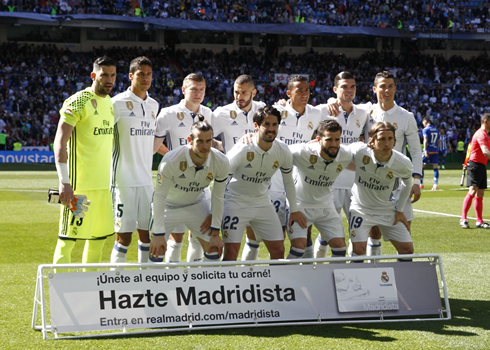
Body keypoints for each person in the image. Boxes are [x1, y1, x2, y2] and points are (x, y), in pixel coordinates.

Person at [240, 75, 325, 261]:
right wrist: (247, 137)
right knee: (263, 235)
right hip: (275, 180)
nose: (304, 94)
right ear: (288, 93)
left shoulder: (317, 113)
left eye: (307, 90)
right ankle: (252, 275)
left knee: (304, 230)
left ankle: (307, 271)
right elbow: (258, 124)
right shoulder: (277, 110)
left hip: (300, 180)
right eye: (299, 90)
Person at [52, 56, 116, 265]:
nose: (109, 79)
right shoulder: (78, 101)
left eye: (113, 75)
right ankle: (59, 294)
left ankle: (91, 294)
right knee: (68, 240)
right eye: (104, 75)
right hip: (79, 188)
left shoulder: (109, 103)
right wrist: (64, 182)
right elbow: (60, 142)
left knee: (98, 241)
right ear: (93, 75)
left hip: (103, 187)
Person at [222, 106, 306, 261]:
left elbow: (288, 181)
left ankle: (275, 285)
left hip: (262, 203)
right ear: (256, 126)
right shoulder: (242, 148)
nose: (271, 129)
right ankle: (228, 285)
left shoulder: (282, 150)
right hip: (235, 203)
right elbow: (221, 178)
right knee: (231, 253)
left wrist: (294, 210)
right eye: (266, 124)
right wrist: (217, 209)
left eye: (274, 125)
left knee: (278, 249)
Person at [153, 73, 214, 263]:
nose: (198, 93)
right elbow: (154, 146)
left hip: (201, 183)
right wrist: (174, 157)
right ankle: (173, 277)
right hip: (176, 184)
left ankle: (193, 280)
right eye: (194, 89)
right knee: (176, 237)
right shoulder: (168, 114)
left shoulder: (208, 113)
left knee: (198, 235)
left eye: (202, 89)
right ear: (183, 90)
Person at [149, 120, 230, 261]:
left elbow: (218, 196)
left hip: (196, 205)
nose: (205, 146)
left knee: (214, 251)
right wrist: (157, 234)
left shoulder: (221, 161)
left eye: (208, 141)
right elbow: (159, 196)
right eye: (200, 141)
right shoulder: (171, 159)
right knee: (156, 251)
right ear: (189, 140)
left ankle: (200, 283)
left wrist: (216, 233)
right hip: (168, 207)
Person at [365, 71, 422, 257]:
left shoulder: (406, 116)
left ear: (395, 89)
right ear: (374, 89)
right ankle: (374, 271)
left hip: (399, 183)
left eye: (390, 86)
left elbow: (415, 150)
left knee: (405, 231)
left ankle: (405, 278)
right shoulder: (365, 113)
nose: (386, 90)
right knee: (374, 232)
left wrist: (417, 180)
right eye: (382, 86)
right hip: (372, 181)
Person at [109, 56, 159, 265]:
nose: (146, 78)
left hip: (146, 181)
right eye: (141, 74)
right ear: (131, 76)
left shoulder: (154, 105)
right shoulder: (116, 103)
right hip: (123, 181)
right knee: (124, 237)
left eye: (149, 74)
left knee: (148, 235)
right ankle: (114, 282)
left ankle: (145, 283)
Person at [315, 71, 370, 256]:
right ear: (335, 89)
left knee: (358, 233)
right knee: (326, 233)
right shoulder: (323, 111)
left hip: (354, 183)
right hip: (329, 181)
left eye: (352, 86)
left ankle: (356, 276)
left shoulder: (363, 113)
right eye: (344, 86)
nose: (349, 90)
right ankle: (318, 269)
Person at [349, 121, 414, 259]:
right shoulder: (359, 151)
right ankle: (356, 279)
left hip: (387, 210)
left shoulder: (403, 163)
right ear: (371, 141)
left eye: (390, 139)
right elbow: (337, 150)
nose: (387, 143)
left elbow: (407, 184)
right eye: (382, 139)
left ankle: (403, 280)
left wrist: (400, 210)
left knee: (407, 250)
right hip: (361, 209)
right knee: (359, 251)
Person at [289, 119, 350, 259]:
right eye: (329, 140)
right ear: (318, 139)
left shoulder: (345, 154)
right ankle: (284, 280)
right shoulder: (302, 152)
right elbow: (276, 150)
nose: (334, 144)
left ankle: (327, 280)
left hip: (326, 207)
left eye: (337, 139)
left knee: (340, 249)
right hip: (301, 207)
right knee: (298, 248)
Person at [212, 74, 265, 153]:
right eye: (236, 92)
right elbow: (202, 135)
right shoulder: (222, 113)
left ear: (254, 93)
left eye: (244, 93)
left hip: (259, 164)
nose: (239, 97)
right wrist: (219, 145)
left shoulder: (262, 108)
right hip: (233, 165)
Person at [460, 113, 490, 229]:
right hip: (475, 165)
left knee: (480, 193)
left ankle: (479, 221)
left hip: (481, 165)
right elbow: (485, 151)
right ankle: (463, 218)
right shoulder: (481, 134)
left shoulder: (485, 135)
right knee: (472, 190)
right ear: (486, 121)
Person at [421, 117, 441, 190]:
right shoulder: (436, 129)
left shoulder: (425, 129)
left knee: (421, 166)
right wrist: (437, 149)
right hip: (435, 150)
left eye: (423, 122)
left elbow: (425, 140)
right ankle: (435, 184)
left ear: (425, 121)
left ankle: (421, 183)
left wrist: (425, 150)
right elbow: (439, 141)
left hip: (428, 150)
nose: (422, 124)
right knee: (435, 168)